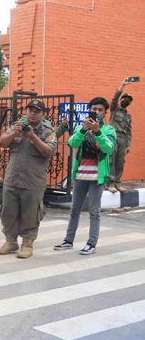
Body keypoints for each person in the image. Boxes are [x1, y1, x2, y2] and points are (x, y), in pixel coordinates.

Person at [54, 97, 116, 255]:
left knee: (94, 211)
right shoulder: (81, 127)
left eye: (100, 110)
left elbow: (107, 148)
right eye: (94, 109)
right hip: (80, 175)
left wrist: (97, 132)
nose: (96, 112)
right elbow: (73, 143)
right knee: (74, 209)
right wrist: (83, 130)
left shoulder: (109, 130)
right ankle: (68, 240)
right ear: (90, 110)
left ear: (105, 112)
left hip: (97, 177)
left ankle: (91, 243)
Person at [0, 100, 57, 259]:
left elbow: (48, 151)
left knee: (30, 213)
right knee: (8, 211)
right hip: (12, 178)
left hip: (33, 181)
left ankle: (27, 244)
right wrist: (14, 133)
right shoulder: (17, 125)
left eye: (37, 111)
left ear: (43, 114)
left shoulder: (47, 131)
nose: (32, 113)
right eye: (30, 109)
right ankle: (11, 241)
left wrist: (32, 137)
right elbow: (2, 143)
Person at [106, 78, 134, 193]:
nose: (126, 101)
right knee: (111, 160)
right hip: (113, 137)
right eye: (125, 98)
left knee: (120, 162)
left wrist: (128, 145)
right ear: (121, 99)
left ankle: (117, 183)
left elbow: (129, 132)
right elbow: (114, 98)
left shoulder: (128, 116)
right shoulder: (114, 109)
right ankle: (110, 183)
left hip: (123, 140)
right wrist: (122, 85)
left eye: (129, 100)